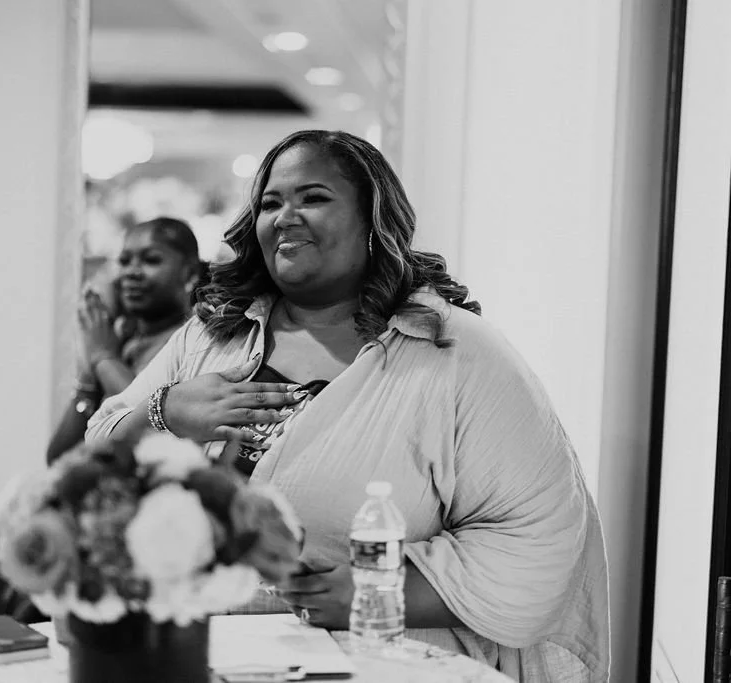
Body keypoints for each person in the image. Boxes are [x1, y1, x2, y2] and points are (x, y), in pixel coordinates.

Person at [86, 131, 609, 681]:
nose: (285, 217)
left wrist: (376, 589)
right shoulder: (211, 336)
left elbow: (541, 540)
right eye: (270, 202)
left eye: (312, 197)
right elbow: (96, 454)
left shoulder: (454, 352)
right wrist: (162, 411)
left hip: (380, 661)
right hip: (204, 652)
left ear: (372, 221)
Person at [47, 216, 202, 464]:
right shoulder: (122, 340)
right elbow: (58, 457)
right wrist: (91, 372)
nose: (131, 272)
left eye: (151, 260)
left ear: (190, 272)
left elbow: (151, 420)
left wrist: (103, 358)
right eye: (124, 261)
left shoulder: (195, 341)